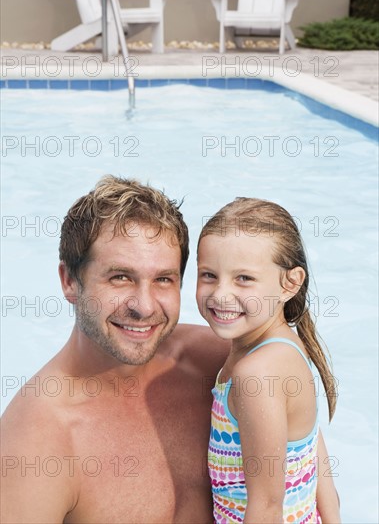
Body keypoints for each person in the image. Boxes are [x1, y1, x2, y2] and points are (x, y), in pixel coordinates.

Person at [1, 175, 229, 523]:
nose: (144, 306)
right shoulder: (37, 443)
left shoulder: (216, 365)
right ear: (69, 281)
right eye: (120, 277)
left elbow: (300, 450)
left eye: (163, 279)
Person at [196, 197, 341, 523]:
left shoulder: (256, 375)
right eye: (208, 275)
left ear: (290, 283)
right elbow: (311, 448)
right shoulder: (285, 346)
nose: (220, 294)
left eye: (243, 278)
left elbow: (266, 508)